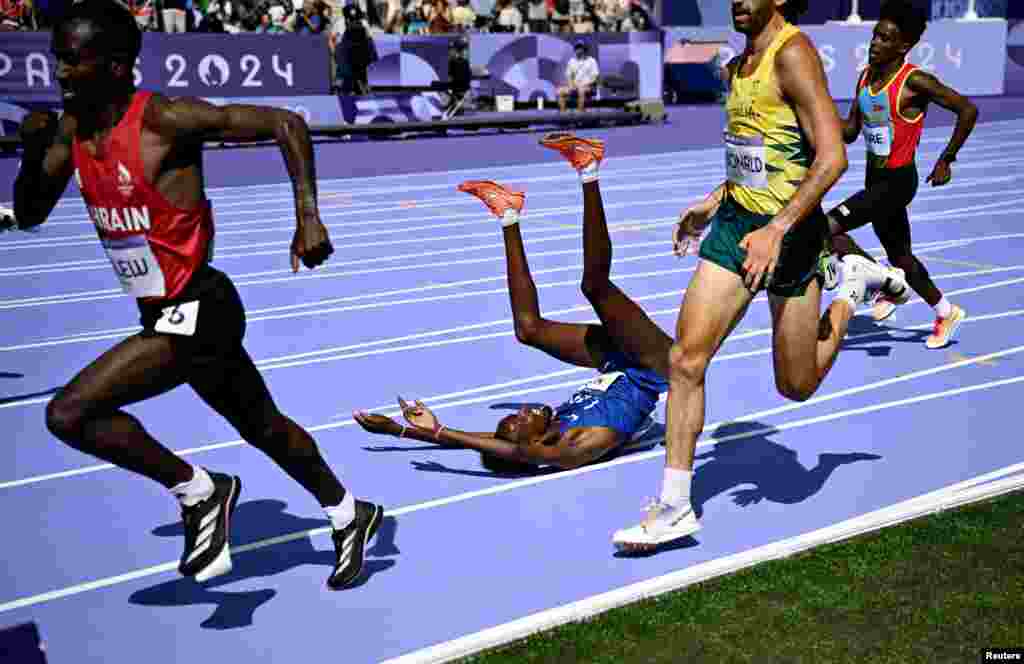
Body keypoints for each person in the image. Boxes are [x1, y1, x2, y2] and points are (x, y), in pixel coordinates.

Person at [11, 0, 381, 589]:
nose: (58, 72)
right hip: (163, 312)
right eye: (56, 59)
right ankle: (348, 513)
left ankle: (200, 491)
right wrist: (33, 151)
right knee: (264, 427)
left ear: (112, 65)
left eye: (71, 61)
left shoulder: (164, 119)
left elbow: (287, 122)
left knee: (70, 412)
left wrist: (307, 217)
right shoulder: (72, 133)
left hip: (201, 307)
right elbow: (30, 212)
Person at [612, 0, 910, 552]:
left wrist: (777, 229)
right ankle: (675, 506)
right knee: (685, 359)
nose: (737, 3)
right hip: (734, 226)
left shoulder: (792, 55)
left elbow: (831, 159)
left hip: (790, 236)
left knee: (794, 386)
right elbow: (755, 154)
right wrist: (714, 200)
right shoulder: (738, 62)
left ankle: (846, 289)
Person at [353, 133, 670, 472]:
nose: (523, 411)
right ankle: (588, 167)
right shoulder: (579, 441)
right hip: (652, 362)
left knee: (528, 330)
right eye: (519, 421)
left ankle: (507, 213)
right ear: (532, 443)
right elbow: (521, 454)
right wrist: (442, 430)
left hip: (613, 359)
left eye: (514, 416)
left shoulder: (546, 427)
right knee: (594, 285)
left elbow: (494, 442)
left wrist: (401, 430)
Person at [820, 0, 977, 348]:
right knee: (900, 256)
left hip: (898, 182)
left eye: (885, 39)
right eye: (875, 35)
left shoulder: (915, 81)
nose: (875, 43)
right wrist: (817, 116)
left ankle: (885, 283)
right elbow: (850, 132)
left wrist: (946, 159)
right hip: (874, 180)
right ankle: (946, 310)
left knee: (825, 228)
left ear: (903, 45)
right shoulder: (866, 77)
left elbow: (968, 109)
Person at [558, 41, 600, 113]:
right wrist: (571, 85)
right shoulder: (571, 61)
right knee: (560, 91)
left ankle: (579, 114)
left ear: (584, 49)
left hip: (589, 87)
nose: (578, 50)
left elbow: (595, 77)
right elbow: (568, 76)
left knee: (581, 90)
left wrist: (584, 85)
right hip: (575, 86)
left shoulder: (591, 61)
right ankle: (563, 114)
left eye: (580, 48)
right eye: (577, 48)